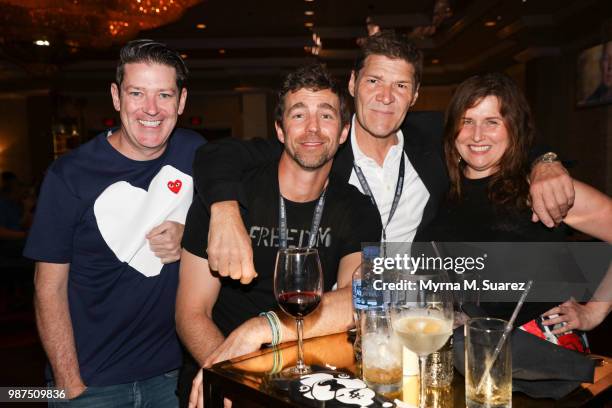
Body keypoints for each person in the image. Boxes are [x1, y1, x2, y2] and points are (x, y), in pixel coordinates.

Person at [191, 30, 576, 285]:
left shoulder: (436, 138)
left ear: (415, 95)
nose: (386, 96)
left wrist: (545, 160)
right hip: (341, 310)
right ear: (354, 84)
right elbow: (218, 153)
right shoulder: (321, 145)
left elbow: (499, 131)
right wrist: (224, 212)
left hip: (425, 312)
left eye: (401, 85)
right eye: (374, 81)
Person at [175, 64, 382, 407]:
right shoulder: (224, 201)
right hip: (220, 373)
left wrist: (261, 328)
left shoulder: (358, 209)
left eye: (326, 116)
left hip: (306, 381)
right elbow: (190, 313)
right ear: (281, 130)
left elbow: (358, 301)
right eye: (299, 114)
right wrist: (237, 378)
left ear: (344, 131)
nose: (313, 128)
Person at [23, 39, 205, 407]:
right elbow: (48, 288)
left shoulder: (196, 153)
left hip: (170, 376)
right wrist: (70, 384)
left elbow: (237, 220)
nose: (150, 109)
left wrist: (190, 236)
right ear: (116, 96)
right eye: (137, 93)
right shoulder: (69, 175)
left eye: (164, 95)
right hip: (91, 382)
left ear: (181, 102)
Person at [414, 72, 612, 346]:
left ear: (513, 128)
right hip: (464, 352)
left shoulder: (540, 187)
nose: (477, 135)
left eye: (492, 122)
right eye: (467, 121)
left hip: (537, 356)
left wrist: (594, 311)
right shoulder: (445, 187)